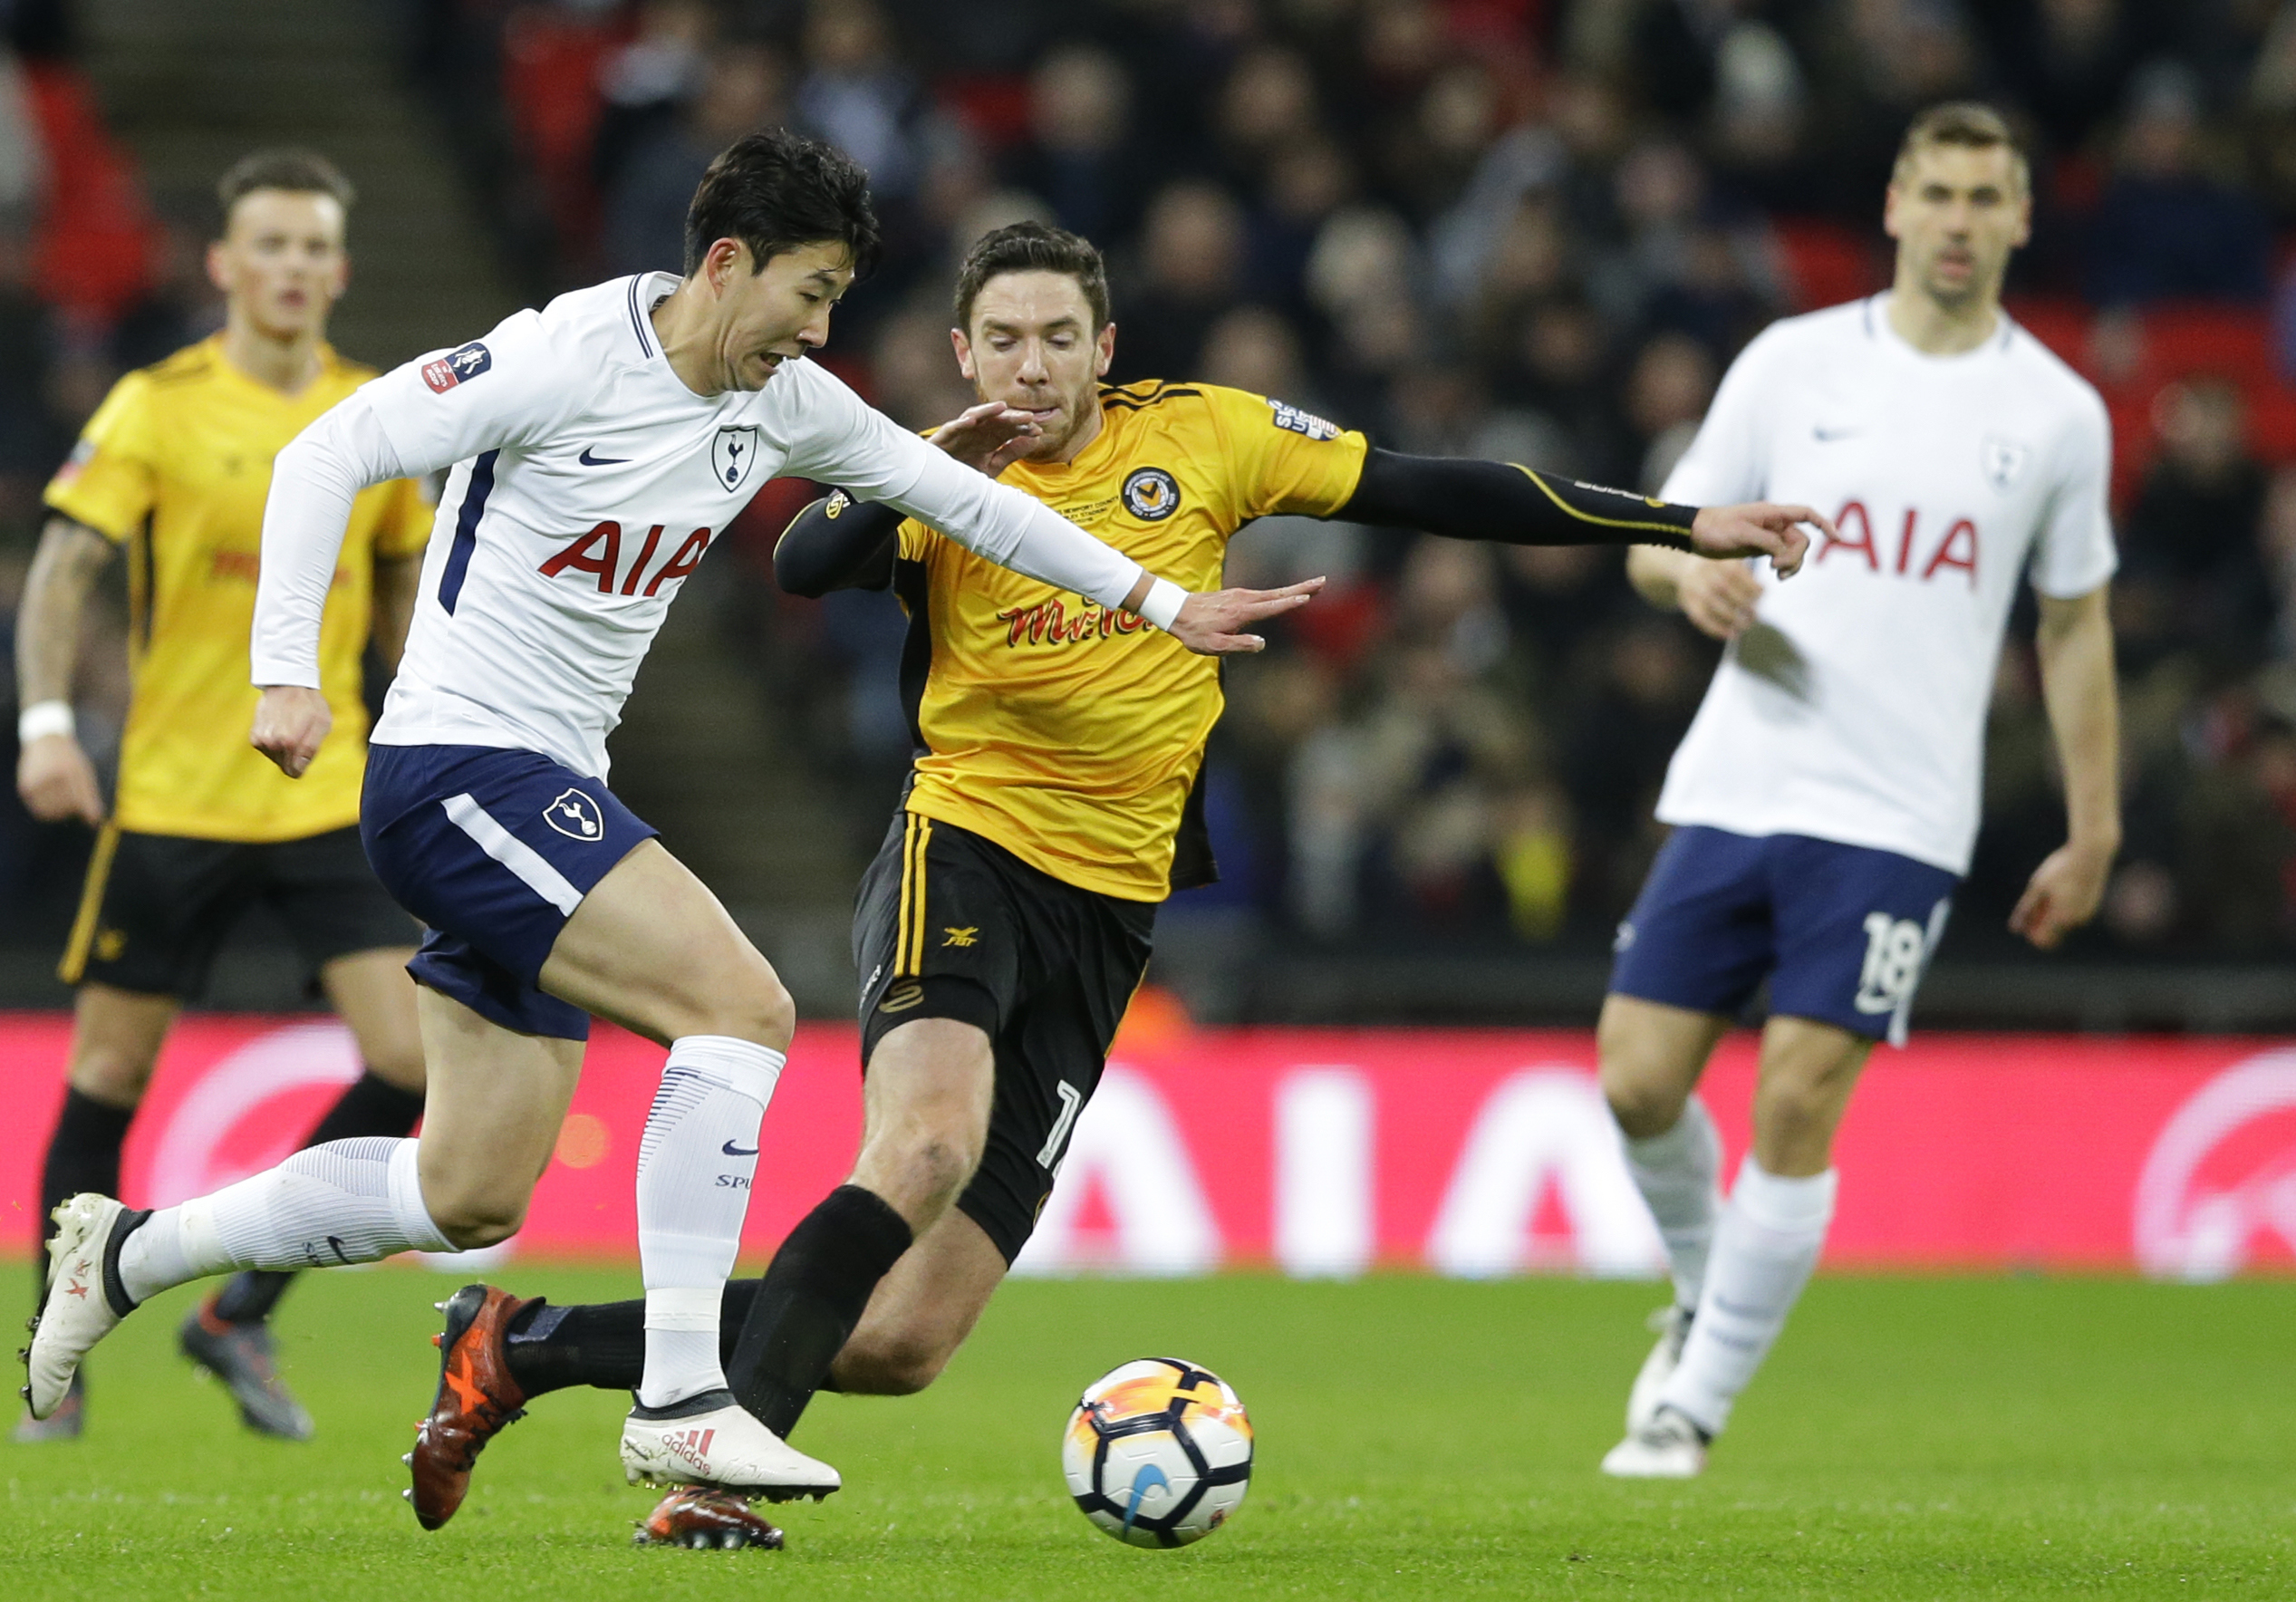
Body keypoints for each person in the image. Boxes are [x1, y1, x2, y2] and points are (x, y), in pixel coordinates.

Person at [398, 220, 1821, 1544]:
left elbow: (1428, 488)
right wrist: (909, 455)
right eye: (1002, 339)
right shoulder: (937, 473)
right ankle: (713, 1477)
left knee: (901, 1345)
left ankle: (520, 1346)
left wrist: (1674, 522)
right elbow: (802, 562)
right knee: (923, 1148)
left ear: (1104, 347)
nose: (1030, 365)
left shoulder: (1205, 437)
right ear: (964, 354)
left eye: (1056, 338)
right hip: (961, 847)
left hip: (1111, 907)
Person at [22, 133, 1304, 1505]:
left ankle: (128, 1252)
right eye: (806, 294)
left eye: (835, 304)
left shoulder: (785, 398)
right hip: (458, 768)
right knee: (741, 1007)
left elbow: (965, 502)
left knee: (467, 1192)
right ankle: (684, 1399)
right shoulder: (562, 356)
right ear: (724, 263)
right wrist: (288, 668)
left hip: (543, 788)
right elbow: (324, 454)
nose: (818, 331)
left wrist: (1166, 606)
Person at [1597, 103, 2120, 1478]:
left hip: (1896, 814)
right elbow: (1660, 535)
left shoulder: (2056, 416)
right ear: (1893, 205)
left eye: (1983, 197)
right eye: (1935, 192)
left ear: (2018, 217)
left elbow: (2071, 625)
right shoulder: (1790, 363)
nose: (1956, 220)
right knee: (1637, 1085)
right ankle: (1711, 1281)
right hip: (1738, 778)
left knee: (1792, 1101)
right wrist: (1687, 572)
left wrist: (2094, 825)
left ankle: (1688, 1404)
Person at [12, 150, 434, 1444]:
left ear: (340, 269)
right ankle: (58, 1355)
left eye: (316, 247)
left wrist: (439, 741)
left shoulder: (380, 416)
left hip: (331, 797)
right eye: (273, 245)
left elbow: (413, 608)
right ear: (226, 264)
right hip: (178, 796)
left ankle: (236, 1309)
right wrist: (44, 725)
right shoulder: (156, 406)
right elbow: (65, 574)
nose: (296, 267)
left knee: (413, 1064)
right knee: (109, 1075)